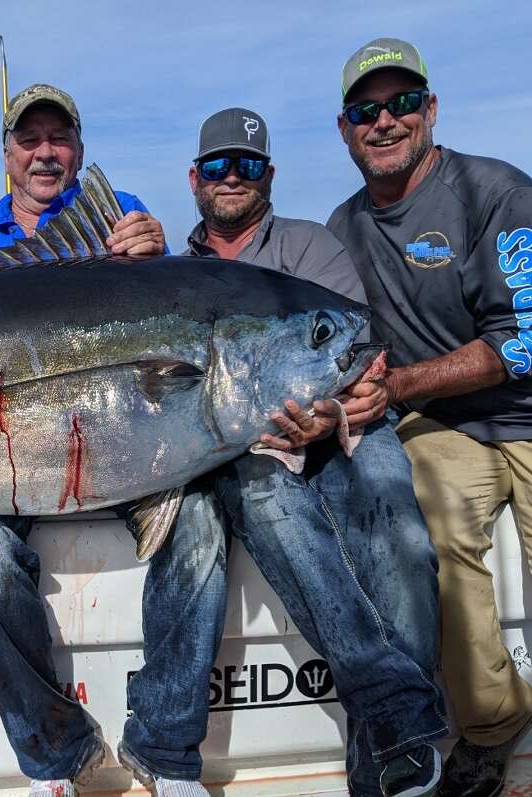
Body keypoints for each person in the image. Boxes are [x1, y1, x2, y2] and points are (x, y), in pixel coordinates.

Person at [0, 84, 210, 797]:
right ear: (7, 155)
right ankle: (55, 756)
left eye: (60, 139)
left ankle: (165, 749)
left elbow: (178, 318)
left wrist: (155, 250)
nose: (45, 153)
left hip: (125, 445)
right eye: (30, 140)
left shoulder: (121, 221)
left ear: (80, 152)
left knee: (204, 520)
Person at [160, 107, 449, 797]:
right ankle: (401, 727)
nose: (234, 176)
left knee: (395, 517)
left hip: (340, 429)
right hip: (247, 448)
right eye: (221, 165)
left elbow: (353, 351)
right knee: (267, 502)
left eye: (250, 165)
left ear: (270, 175)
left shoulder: (310, 246)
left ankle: (382, 763)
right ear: (195, 178)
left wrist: (324, 416)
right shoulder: (172, 269)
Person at [327, 37, 532, 797]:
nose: (386, 121)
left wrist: (404, 380)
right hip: (446, 428)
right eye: (366, 110)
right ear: (345, 129)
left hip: (524, 409)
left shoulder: (498, 192)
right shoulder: (340, 229)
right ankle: (493, 722)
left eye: (402, 103)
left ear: (431, 110)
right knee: (435, 534)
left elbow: (527, 336)